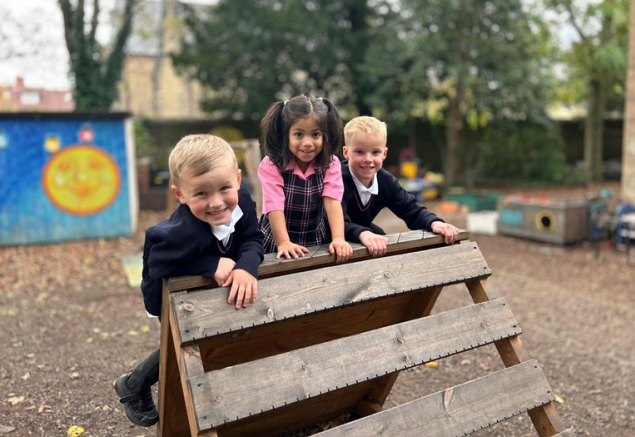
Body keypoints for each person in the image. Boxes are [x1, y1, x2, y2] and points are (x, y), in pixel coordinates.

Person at [114, 134, 264, 427]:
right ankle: (133, 385)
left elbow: (252, 238)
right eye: (201, 194)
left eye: (224, 188)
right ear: (180, 194)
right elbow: (159, 267)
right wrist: (208, 264)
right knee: (184, 344)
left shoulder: (242, 198)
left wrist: (246, 267)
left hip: (215, 283)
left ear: (237, 179)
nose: (217, 202)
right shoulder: (178, 233)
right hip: (170, 292)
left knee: (217, 339)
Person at [342, 116, 459, 257]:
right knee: (373, 237)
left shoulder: (385, 180)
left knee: (381, 241)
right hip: (325, 239)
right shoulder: (337, 180)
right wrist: (362, 233)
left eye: (375, 152)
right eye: (359, 152)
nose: (368, 159)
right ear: (346, 152)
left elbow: (409, 208)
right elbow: (330, 221)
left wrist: (433, 222)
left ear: (384, 153)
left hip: (357, 234)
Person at [258, 95, 353, 263]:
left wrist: (338, 238)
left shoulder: (330, 163)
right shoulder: (272, 165)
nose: (308, 142)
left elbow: (332, 201)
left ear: (325, 136)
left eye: (315, 134)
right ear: (285, 135)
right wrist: (284, 242)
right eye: (299, 134)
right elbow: (274, 205)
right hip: (277, 240)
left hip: (314, 239)